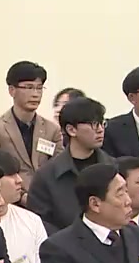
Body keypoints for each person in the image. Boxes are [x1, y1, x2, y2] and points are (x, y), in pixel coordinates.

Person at [27, 96, 113, 232]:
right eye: (94, 124)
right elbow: (40, 225)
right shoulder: (46, 176)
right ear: (71, 130)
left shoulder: (114, 169)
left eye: (102, 123)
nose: (100, 129)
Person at [0, 61, 63, 190]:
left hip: (46, 195)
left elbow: (58, 168)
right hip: (10, 197)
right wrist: (22, 196)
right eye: (29, 87)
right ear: (12, 90)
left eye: (39, 88)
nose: (35, 94)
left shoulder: (52, 129)